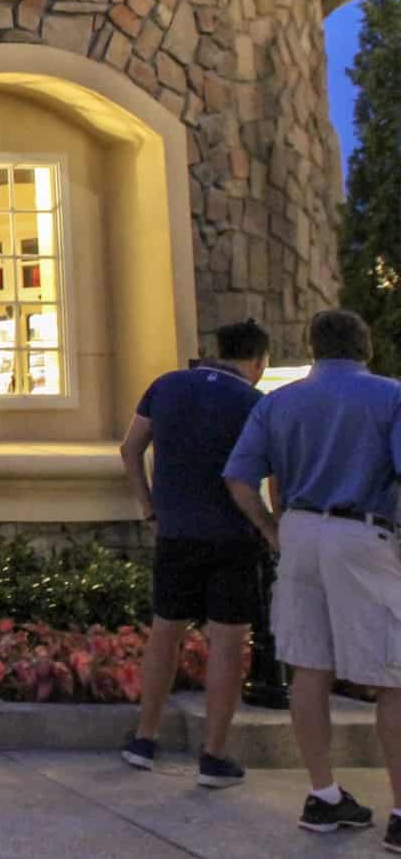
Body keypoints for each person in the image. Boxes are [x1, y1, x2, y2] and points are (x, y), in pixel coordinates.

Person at [225, 309, 401, 841]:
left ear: (313, 348)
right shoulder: (391, 396)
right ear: (366, 346)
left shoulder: (277, 402)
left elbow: (239, 477)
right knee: (393, 677)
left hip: (299, 532)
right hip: (361, 533)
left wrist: (270, 528)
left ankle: (324, 795)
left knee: (309, 668)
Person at [116, 318, 272, 787]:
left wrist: (148, 505)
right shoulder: (253, 404)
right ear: (259, 361)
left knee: (165, 632)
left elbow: (130, 448)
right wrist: (270, 527)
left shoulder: (165, 386)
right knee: (228, 643)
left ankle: (144, 738)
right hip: (233, 535)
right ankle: (213, 755)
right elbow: (263, 474)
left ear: (216, 348)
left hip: (176, 531)